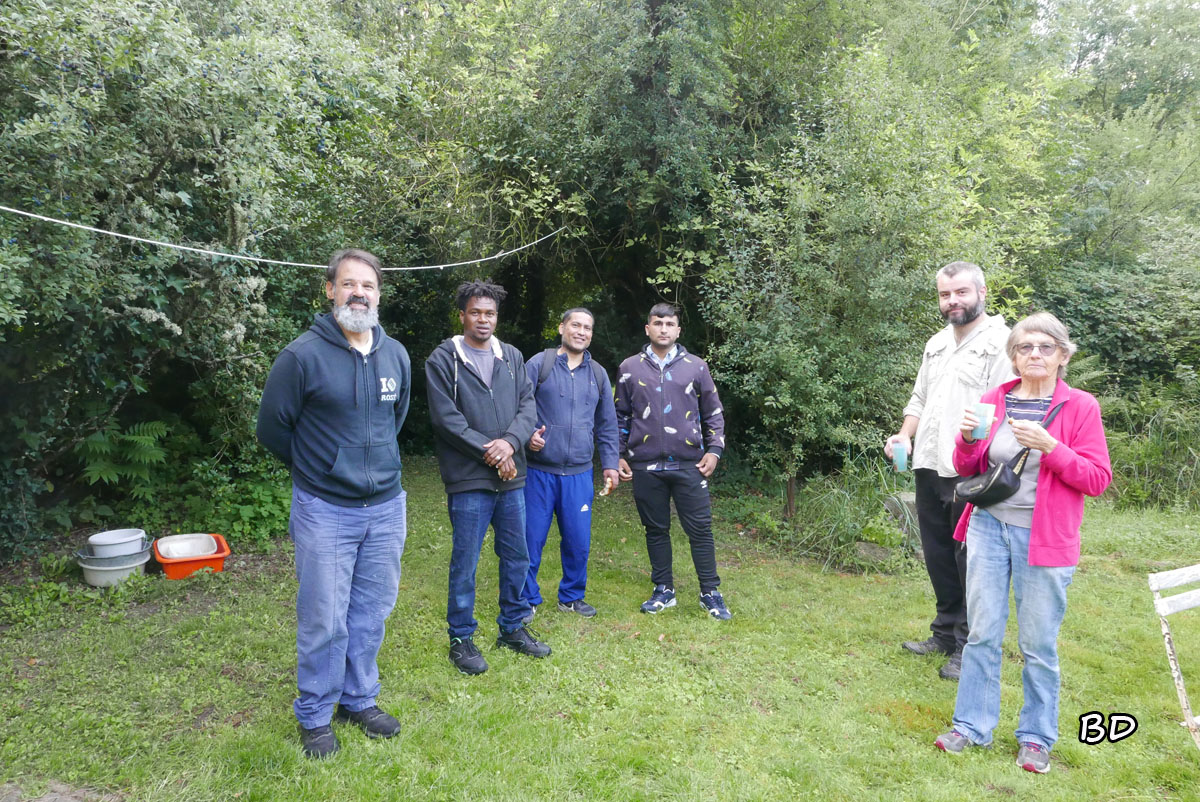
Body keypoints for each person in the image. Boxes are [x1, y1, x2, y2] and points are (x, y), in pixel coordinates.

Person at [935, 312, 1111, 773]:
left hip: (1045, 537)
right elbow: (967, 463)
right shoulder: (996, 398)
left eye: (1045, 347)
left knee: (1038, 644)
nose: (1035, 354)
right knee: (982, 633)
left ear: (1063, 355)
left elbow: (1096, 479)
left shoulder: (1079, 407)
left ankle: (1035, 738)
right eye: (1025, 347)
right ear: (1013, 356)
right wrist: (968, 436)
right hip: (988, 528)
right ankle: (970, 726)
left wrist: (1052, 447)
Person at [256, 248, 411, 759]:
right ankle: (316, 714)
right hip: (326, 508)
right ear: (329, 290)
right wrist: (321, 470)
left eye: (367, 285)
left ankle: (359, 699)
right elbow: (273, 430)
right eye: (348, 284)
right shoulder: (302, 356)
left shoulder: (396, 355)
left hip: (387, 507)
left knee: (371, 611)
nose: (358, 293)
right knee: (325, 616)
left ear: (379, 293)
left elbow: (396, 420)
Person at [885, 261, 1012, 680]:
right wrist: (905, 435)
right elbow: (919, 398)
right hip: (929, 462)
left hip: (971, 470)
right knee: (938, 553)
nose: (952, 301)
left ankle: (968, 644)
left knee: (970, 558)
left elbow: (1004, 408)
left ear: (982, 291)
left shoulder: (1002, 343)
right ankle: (943, 632)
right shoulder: (936, 343)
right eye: (945, 294)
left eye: (960, 292)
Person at [425, 279, 549, 675]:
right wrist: (493, 453)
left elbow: (528, 406)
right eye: (475, 312)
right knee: (466, 561)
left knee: (517, 556)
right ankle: (461, 638)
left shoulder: (511, 356)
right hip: (469, 480)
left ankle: (512, 628)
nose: (483, 319)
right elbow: (447, 421)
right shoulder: (443, 359)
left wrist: (510, 444)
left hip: (512, 478)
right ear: (462, 315)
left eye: (490, 313)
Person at [614, 303, 730, 619]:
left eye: (670, 323)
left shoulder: (696, 367)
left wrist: (714, 450)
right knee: (655, 529)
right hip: (645, 465)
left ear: (678, 330)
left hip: (690, 463)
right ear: (647, 328)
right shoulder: (629, 368)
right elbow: (620, 415)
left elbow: (714, 413)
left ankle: (710, 592)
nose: (663, 328)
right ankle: (664, 589)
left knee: (701, 529)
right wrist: (618, 454)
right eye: (658, 322)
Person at [522, 308, 621, 620]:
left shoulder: (599, 374)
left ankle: (572, 597)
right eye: (575, 325)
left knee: (578, 542)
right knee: (529, 540)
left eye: (587, 327)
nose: (581, 331)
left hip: (579, 474)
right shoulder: (540, 364)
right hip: (538, 472)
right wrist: (526, 437)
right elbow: (517, 408)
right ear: (562, 328)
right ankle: (525, 599)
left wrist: (610, 464)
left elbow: (607, 424)